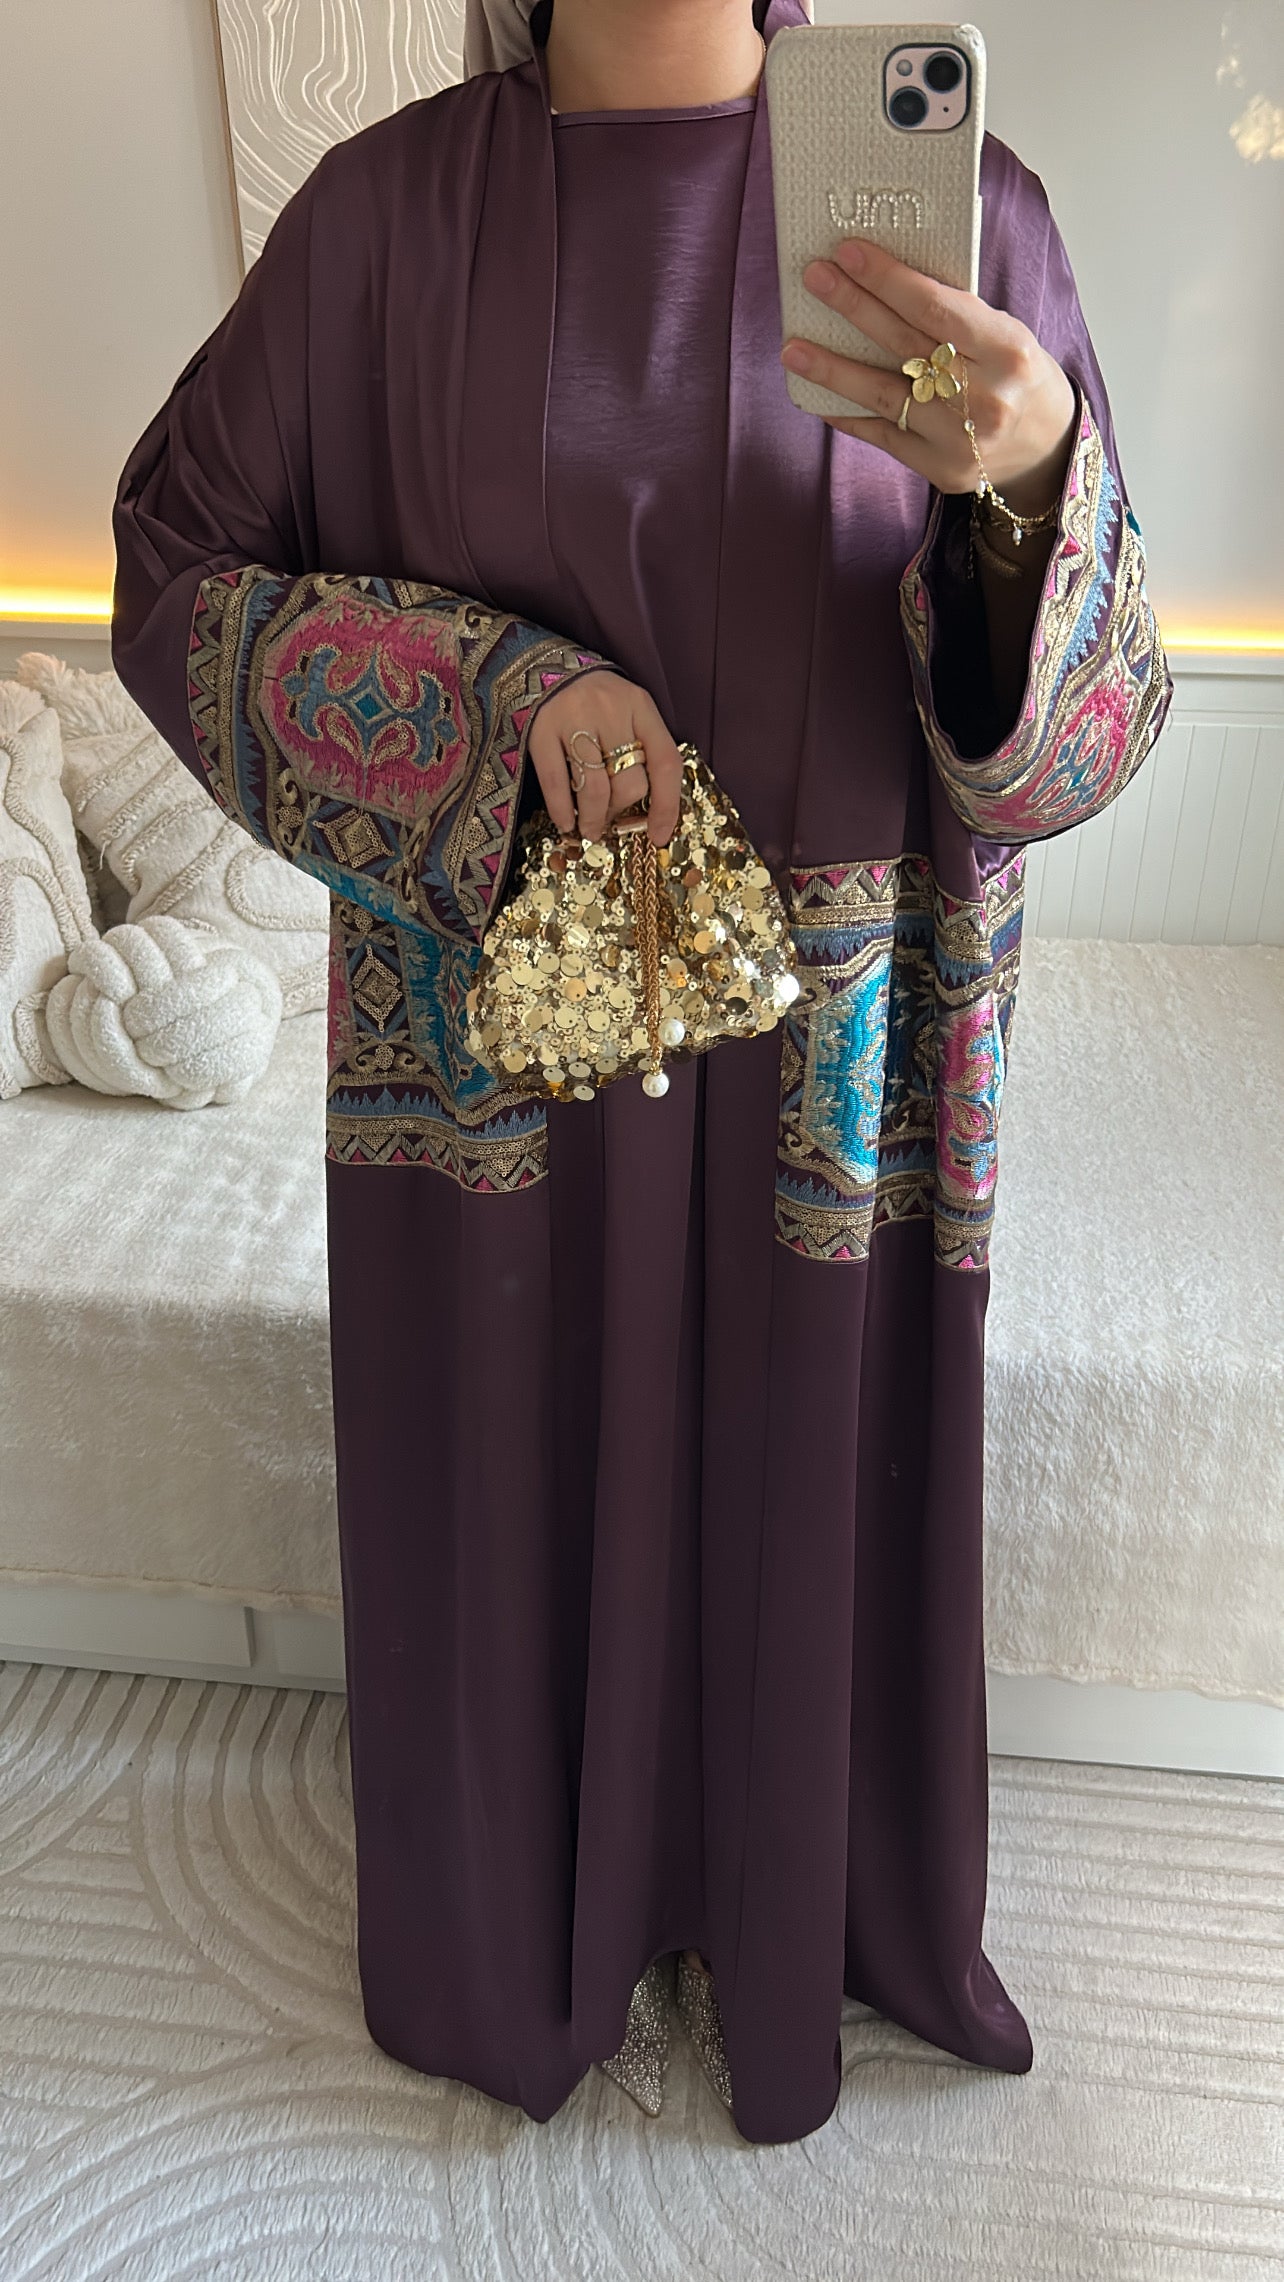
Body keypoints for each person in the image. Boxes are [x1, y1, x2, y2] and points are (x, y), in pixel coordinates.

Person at [110, 0, 1171, 2146]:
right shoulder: (381, 225)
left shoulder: (977, 225)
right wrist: (486, 701)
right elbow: (175, 571)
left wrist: (1029, 483)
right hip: (509, 1070)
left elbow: (1086, 734)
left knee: (806, 1454)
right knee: (516, 1427)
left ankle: (803, 1897)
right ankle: (522, 1910)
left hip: (831, 1074)